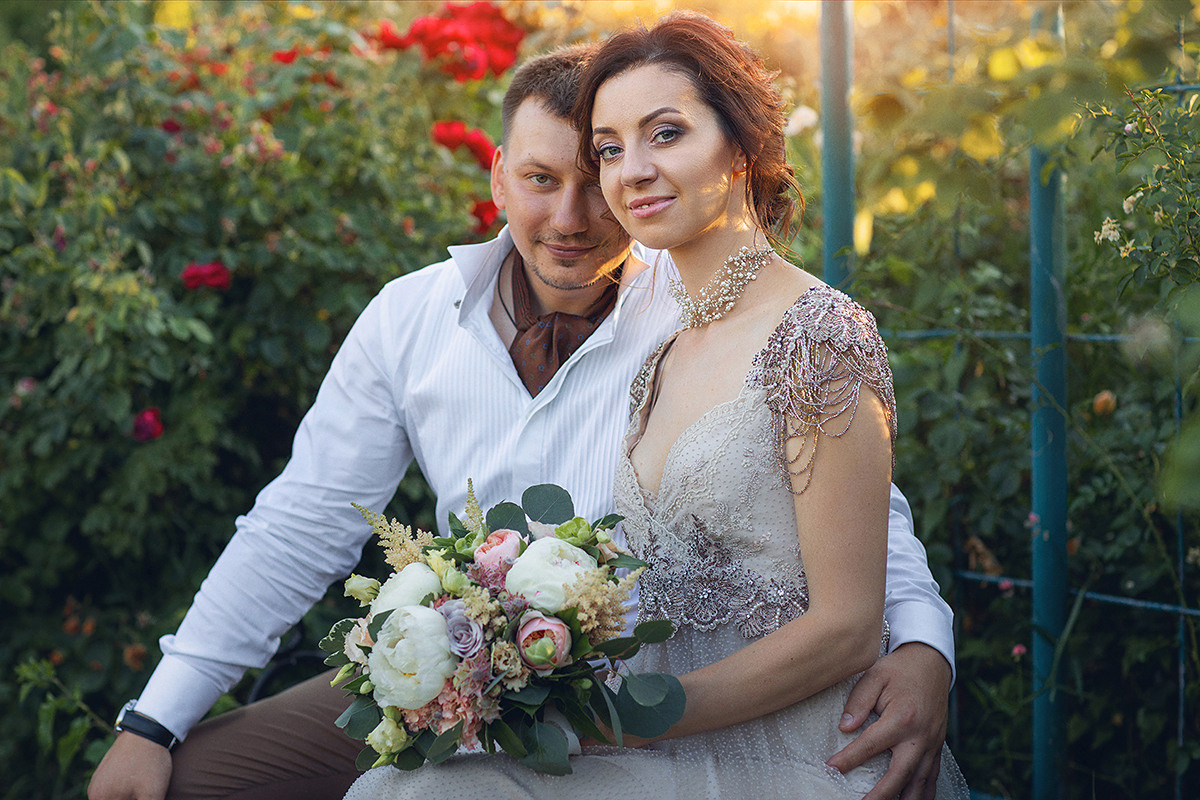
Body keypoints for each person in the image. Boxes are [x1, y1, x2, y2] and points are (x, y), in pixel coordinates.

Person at [90, 41, 955, 800]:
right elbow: (297, 523)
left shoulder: (696, 310)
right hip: (457, 672)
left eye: (600, 173)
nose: (575, 218)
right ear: (499, 173)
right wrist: (154, 720)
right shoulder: (409, 318)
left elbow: (847, 506)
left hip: (638, 693)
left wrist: (924, 647)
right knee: (194, 782)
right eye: (545, 179)